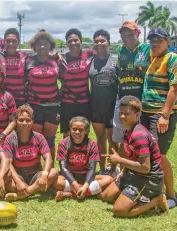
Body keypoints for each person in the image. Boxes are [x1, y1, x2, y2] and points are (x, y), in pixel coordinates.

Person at [100, 96, 168, 217]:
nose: (122, 117)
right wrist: (123, 172)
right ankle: (131, 194)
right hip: (134, 173)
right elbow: (133, 157)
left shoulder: (138, 135)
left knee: (119, 211)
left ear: (137, 115)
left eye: (126, 114)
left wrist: (119, 160)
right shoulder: (128, 131)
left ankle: (156, 200)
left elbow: (145, 167)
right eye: (120, 113)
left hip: (148, 179)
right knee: (105, 196)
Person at [140, 28, 177, 209]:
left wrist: (165, 115)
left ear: (168, 42)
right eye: (152, 40)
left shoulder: (172, 59)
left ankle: (171, 194)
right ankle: (157, 191)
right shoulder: (154, 58)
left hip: (159, 115)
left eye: (159, 40)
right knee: (151, 154)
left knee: (160, 155)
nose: (154, 43)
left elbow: (174, 88)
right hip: (146, 113)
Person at [4, 105, 58, 201]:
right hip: (19, 175)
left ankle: (24, 193)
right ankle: (34, 189)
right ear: (16, 121)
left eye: (28, 120)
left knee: (53, 172)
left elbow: (48, 158)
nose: (24, 123)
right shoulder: (10, 139)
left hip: (35, 174)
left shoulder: (39, 137)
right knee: (6, 178)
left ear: (32, 121)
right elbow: (8, 163)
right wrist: (18, 182)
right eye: (21, 120)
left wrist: (45, 174)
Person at [55, 116, 113, 201]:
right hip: (69, 178)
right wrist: (74, 183)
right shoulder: (63, 143)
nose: (77, 132)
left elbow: (92, 169)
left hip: (85, 176)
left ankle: (70, 194)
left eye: (81, 130)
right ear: (70, 129)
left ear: (86, 131)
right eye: (74, 129)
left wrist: (85, 185)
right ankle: (87, 192)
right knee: (54, 180)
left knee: (109, 179)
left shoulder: (92, 144)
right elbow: (63, 168)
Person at [112, 21, 150, 149]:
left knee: (139, 136)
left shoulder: (146, 48)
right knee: (123, 136)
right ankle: (124, 167)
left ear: (137, 33)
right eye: (123, 35)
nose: (126, 37)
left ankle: (138, 167)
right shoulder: (120, 50)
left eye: (130, 34)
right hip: (123, 98)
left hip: (140, 99)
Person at [25, 30, 61, 159]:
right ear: (34, 47)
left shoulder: (56, 61)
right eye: (39, 44)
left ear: (50, 46)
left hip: (53, 106)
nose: (42, 47)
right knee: (36, 140)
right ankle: (38, 169)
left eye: (45, 44)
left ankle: (50, 168)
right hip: (35, 106)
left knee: (49, 140)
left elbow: (65, 80)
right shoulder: (28, 61)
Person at [89, 29, 118, 175]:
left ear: (108, 42)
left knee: (112, 139)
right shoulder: (90, 62)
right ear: (93, 44)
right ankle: (102, 169)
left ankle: (113, 169)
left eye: (103, 40)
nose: (99, 43)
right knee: (100, 139)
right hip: (96, 107)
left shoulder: (115, 61)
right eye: (97, 41)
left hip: (113, 107)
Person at [59, 28, 94, 137]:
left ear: (81, 41)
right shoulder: (62, 59)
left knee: (83, 134)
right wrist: (56, 53)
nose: (73, 43)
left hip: (84, 103)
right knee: (67, 135)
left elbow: (102, 52)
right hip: (67, 104)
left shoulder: (88, 54)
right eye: (70, 41)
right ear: (67, 43)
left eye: (76, 40)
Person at [0, 28, 28, 108]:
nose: (11, 43)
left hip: (20, 99)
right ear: (4, 42)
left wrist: (56, 55)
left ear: (18, 42)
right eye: (8, 41)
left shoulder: (25, 57)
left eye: (14, 41)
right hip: (3, 99)